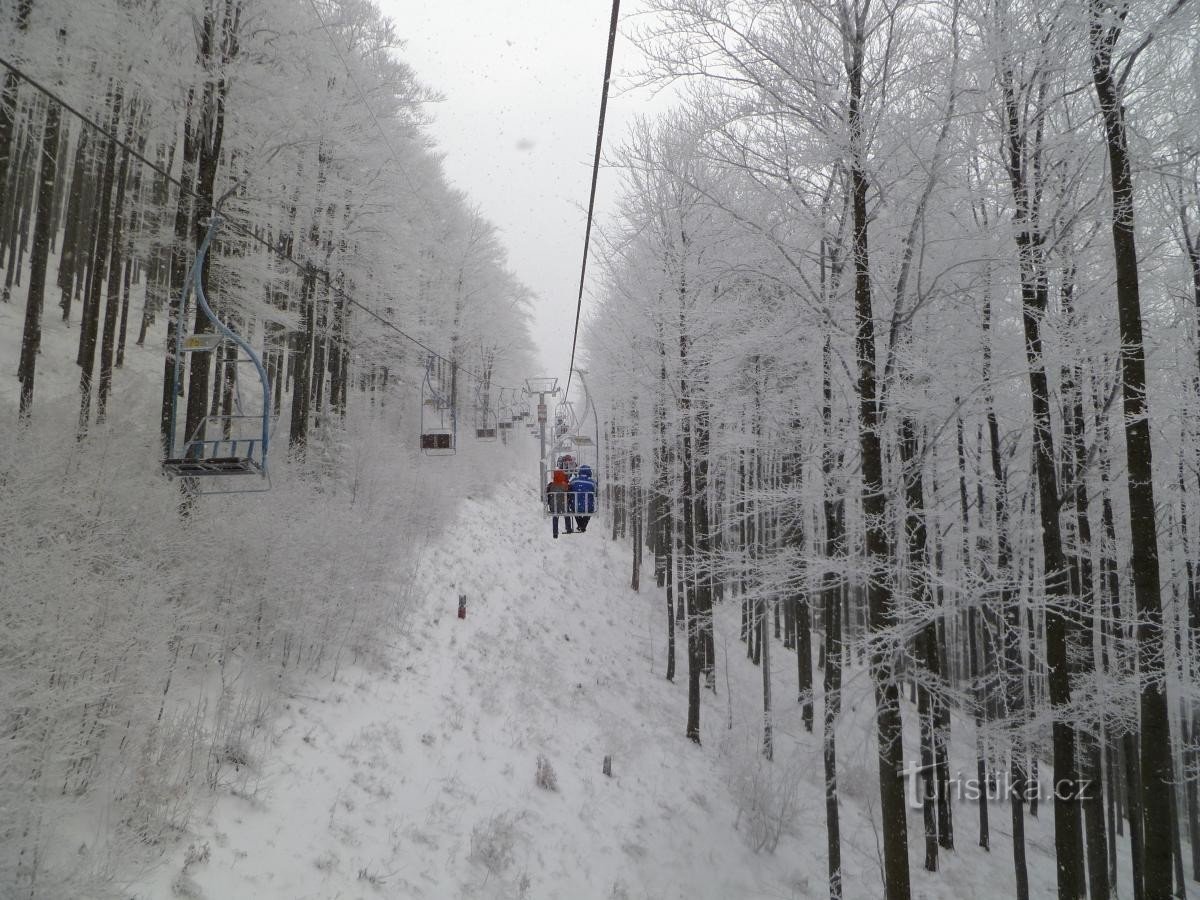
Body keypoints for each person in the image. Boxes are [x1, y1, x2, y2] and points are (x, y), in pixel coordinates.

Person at [568, 464, 596, 533]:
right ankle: (583, 525)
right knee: (589, 511)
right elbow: (596, 491)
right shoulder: (592, 482)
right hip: (588, 506)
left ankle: (581, 525)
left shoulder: (574, 481)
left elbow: (569, 489)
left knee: (575, 510)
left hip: (576, 506)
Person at [546, 468, 573, 538]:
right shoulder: (565, 485)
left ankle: (555, 532)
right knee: (567, 514)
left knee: (555, 516)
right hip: (564, 506)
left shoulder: (551, 485)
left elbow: (547, 493)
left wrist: (549, 503)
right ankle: (568, 528)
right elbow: (569, 493)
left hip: (554, 506)